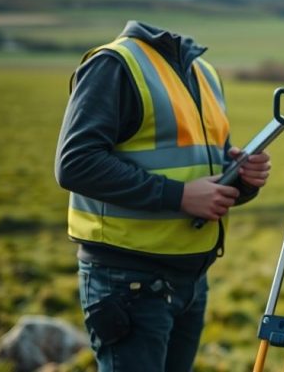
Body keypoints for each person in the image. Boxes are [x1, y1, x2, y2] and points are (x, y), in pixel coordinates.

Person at [55, 20, 272, 372]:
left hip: (191, 281)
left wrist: (243, 180)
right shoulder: (115, 63)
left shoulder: (203, 71)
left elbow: (201, 167)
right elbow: (75, 163)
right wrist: (180, 196)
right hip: (129, 283)